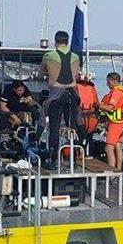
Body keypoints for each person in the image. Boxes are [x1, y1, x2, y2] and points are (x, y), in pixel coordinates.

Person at [41, 31, 80, 169]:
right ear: (67, 41)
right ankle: (73, 160)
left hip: (56, 94)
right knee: (72, 127)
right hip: (72, 93)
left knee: (54, 127)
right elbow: (75, 74)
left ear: (55, 41)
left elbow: (43, 70)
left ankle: (52, 161)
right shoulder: (75, 57)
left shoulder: (48, 56)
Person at [99, 73, 123, 172]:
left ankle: (111, 173)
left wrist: (98, 106)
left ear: (114, 81)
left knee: (108, 148)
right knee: (118, 146)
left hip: (115, 124)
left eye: (108, 82)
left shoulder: (117, 93)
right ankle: (118, 170)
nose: (107, 84)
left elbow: (110, 108)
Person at [74, 74, 99, 151]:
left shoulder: (75, 87)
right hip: (91, 116)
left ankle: (80, 153)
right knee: (88, 136)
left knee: (81, 136)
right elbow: (96, 102)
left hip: (80, 116)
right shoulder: (92, 88)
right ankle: (85, 152)